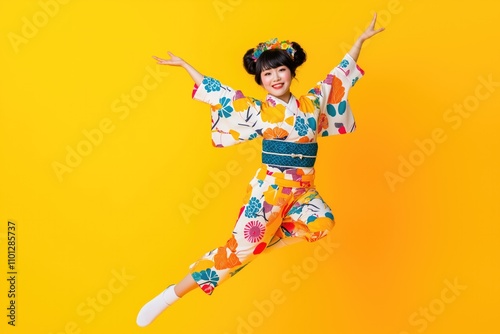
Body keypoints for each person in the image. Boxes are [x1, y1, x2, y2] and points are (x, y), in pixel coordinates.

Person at [136, 14, 384, 327]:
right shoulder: (256, 111)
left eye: (281, 69)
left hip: (304, 191)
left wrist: (359, 43)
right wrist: (188, 67)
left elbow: (338, 77)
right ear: (261, 79)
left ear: (292, 72)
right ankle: (172, 293)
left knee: (323, 223)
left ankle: (253, 247)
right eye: (268, 73)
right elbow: (221, 94)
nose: (276, 77)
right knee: (234, 255)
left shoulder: (314, 101)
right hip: (270, 191)